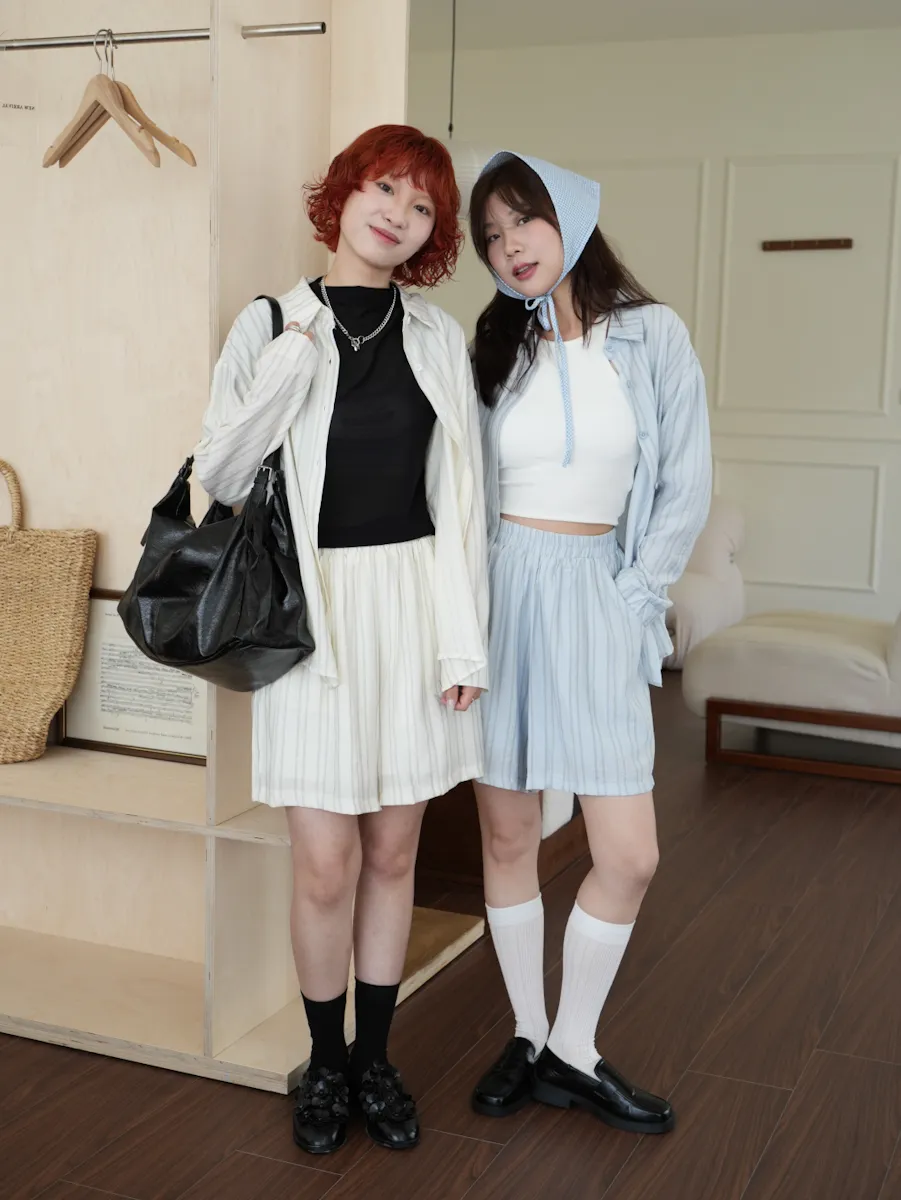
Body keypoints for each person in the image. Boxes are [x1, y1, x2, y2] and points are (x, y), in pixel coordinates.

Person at [193, 125, 488, 1156]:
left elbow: (463, 502)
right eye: (385, 188)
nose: (398, 215)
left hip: (412, 605)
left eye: (421, 206)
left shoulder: (438, 336)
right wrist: (291, 358)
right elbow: (221, 473)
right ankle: (324, 1063)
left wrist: (463, 644)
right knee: (325, 865)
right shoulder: (271, 321)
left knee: (393, 852)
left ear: (431, 233)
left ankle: (375, 1061)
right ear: (344, 194)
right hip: (310, 615)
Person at [467, 150, 711, 1133]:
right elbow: (463, 490)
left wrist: (633, 600)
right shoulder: (493, 346)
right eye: (491, 236)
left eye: (523, 221)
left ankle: (574, 1044)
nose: (509, 246)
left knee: (628, 853)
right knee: (507, 834)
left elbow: (684, 481)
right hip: (503, 595)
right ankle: (529, 1036)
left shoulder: (651, 336)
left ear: (567, 215)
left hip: (600, 594)